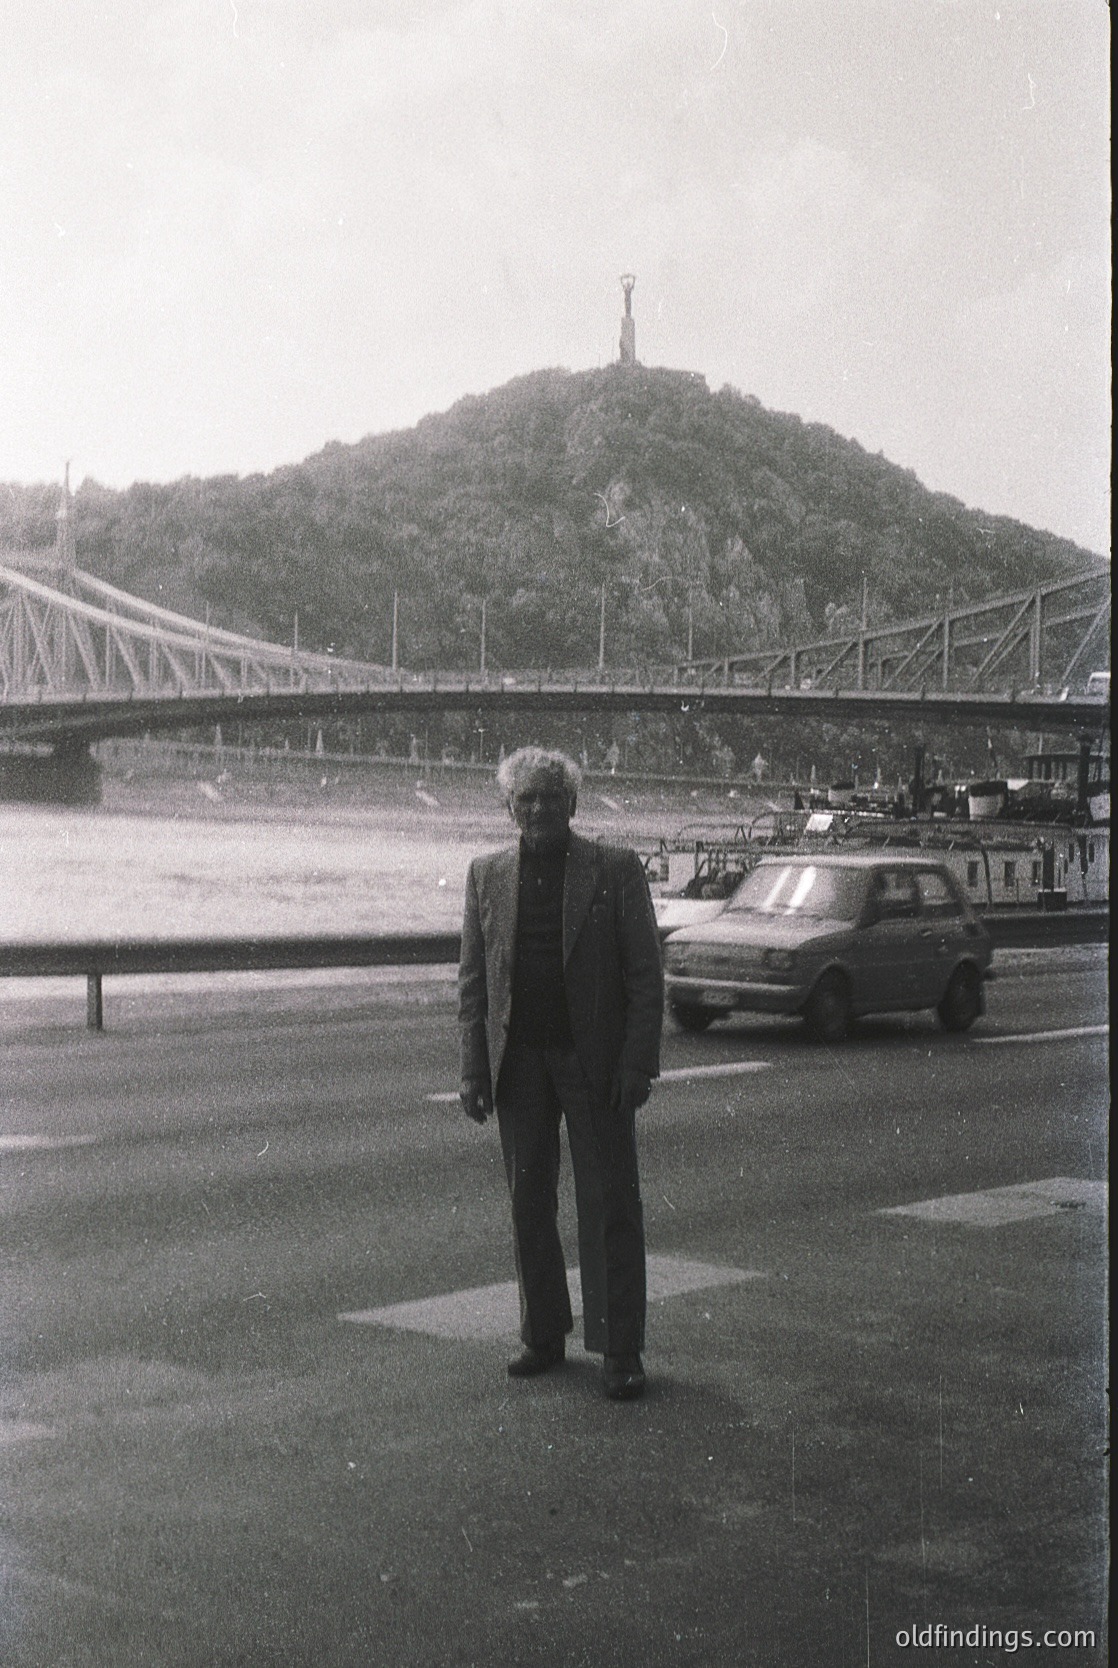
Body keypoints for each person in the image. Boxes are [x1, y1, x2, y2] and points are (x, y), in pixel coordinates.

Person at [458, 746, 664, 1400]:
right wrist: (473, 1069)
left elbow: (644, 976)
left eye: (552, 796)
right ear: (508, 808)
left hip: (593, 1062)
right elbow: (473, 984)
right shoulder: (485, 874)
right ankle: (542, 1334)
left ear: (573, 803)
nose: (540, 808)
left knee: (610, 1205)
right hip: (518, 1062)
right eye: (527, 799)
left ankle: (619, 1349)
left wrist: (637, 1062)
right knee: (528, 1204)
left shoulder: (615, 869)